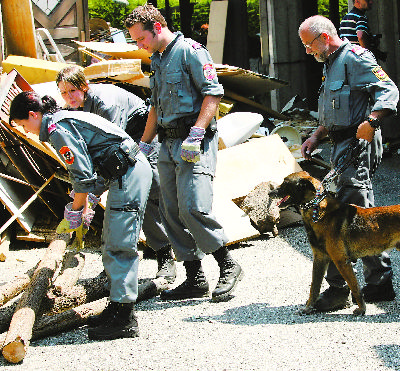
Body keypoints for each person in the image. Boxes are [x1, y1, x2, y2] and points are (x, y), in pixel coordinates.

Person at [9, 91, 152, 340]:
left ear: (33, 115)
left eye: (24, 125)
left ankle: (125, 319)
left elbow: (82, 174)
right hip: (121, 172)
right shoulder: (64, 119)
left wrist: (76, 210)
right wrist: (86, 205)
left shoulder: (57, 129)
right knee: (111, 241)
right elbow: (94, 163)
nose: (27, 131)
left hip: (127, 174)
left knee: (120, 245)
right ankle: (116, 307)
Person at [124, 4, 242, 302]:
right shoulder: (157, 59)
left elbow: (213, 93)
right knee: (170, 211)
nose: (139, 45)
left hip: (194, 141)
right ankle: (195, 277)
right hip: (167, 143)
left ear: (158, 28)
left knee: (193, 206)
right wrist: (144, 143)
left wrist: (198, 132)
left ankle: (228, 263)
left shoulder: (191, 51)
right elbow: (155, 105)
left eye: (141, 39)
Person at [298, 15, 399, 311]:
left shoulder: (356, 58)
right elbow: (333, 111)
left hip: (359, 143)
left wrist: (372, 120)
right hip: (339, 144)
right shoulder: (330, 64)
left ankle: (338, 290)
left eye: (308, 44)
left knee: (342, 214)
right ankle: (380, 282)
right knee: (360, 212)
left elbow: (389, 90)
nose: (307, 51)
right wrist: (316, 135)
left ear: (324, 38)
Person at [55, 65, 176, 282]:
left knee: (152, 191)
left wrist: (92, 193)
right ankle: (124, 262)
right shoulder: (75, 110)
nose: (68, 97)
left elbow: (115, 151)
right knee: (131, 198)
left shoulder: (106, 103)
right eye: (63, 92)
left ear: (84, 86)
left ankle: (172, 254)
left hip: (142, 138)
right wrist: (85, 189)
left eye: (72, 90)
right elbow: (90, 153)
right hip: (120, 146)